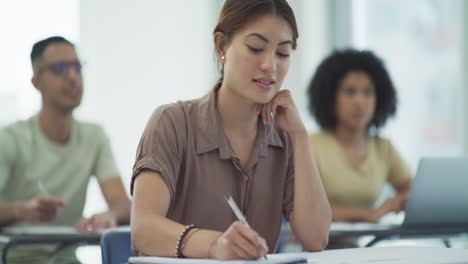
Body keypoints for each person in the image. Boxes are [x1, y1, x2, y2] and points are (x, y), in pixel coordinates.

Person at [131, 0, 331, 260]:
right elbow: (143, 229)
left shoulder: (285, 136)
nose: (270, 65)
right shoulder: (171, 123)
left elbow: (316, 238)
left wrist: (300, 136)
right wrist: (214, 245)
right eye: (256, 48)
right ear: (221, 46)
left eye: (282, 53)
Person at [0, 36, 131, 263]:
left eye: (77, 67)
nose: (73, 77)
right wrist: (22, 211)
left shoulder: (93, 137)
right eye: (60, 68)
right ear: (36, 81)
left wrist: (110, 215)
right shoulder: (10, 139)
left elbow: (123, 205)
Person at [307, 49, 412, 228]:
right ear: (330, 98)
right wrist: (370, 215)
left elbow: (413, 192)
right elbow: (306, 209)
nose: (360, 101)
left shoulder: (384, 148)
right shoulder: (310, 145)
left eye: (368, 92)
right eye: (350, 92)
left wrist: (401, 201)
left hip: (364, 248)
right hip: (315, 249)